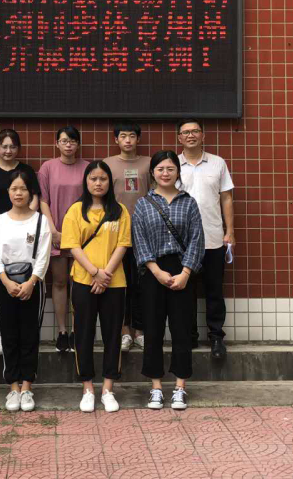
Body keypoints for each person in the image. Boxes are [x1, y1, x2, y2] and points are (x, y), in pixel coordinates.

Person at [132, 151, 205, 411]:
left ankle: (180, 387)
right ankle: (155, 387)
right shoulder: (143, 204)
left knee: (181, 330)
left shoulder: (189, 203)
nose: (165, 173)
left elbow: (197, 239)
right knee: (152, 330)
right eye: (160, 169)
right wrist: (156, 270)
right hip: (153, 272)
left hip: (183, 271)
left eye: (170, 168)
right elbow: (139, 240)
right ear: (152, 172)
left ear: (177, 172)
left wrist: (185, 273)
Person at [60, 160, 131, 413]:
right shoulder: (75, 210)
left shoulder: (120, 210)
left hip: (114, 281)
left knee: (112, 335)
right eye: (93, 178)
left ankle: (108, 389)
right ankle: (88, 388)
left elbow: (123, 244)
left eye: (103, 179)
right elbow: (72, 246)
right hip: (83, 280)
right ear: (86, 182)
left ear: (110, 182)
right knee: (83, 334)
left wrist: (105, 274)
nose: (98, 183)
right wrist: (94, 273)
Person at [0, 170, 51, 412]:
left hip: (33, 284)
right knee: (9, 335)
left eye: (23, 189)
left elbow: (43, 256)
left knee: (30, 335)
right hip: (4, 284)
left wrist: (31, 282)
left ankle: (27, 387)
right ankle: (13, 387)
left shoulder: (40, 221)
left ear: (30, 192)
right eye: (14, 189)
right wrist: (5, 281)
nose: (18, 193)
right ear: (8, 192)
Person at [0, 129, 40, 357]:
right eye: (4, 146)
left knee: (24, 278)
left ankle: (21, 334)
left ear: (18, 148)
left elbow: (35, 200)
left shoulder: (26, 171)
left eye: (13, 146)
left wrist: (26, 226)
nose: (8, 150)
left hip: (24, 236)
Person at [177, 118, 235, 359]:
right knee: (185, 291)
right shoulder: (173, 165)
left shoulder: (217, 163)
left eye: (195, 131)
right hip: (182, 241)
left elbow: (226, 198)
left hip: (213, 237)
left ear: (203, 135)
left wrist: (230, 231)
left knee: (214, 291)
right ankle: (189, 336)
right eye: (185, 132)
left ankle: (216, 337)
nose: (190, 135)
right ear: (179, 138)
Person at [37, 126, 89, 353]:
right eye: (64, 141)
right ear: (57, 143)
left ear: (78, 144)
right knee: (59, 281)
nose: (68, 145)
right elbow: (43, 201)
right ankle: (62, 331)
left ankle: (77, 330)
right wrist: (53, 230)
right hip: (56, 231)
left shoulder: (88, 167)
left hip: (82, 234)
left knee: (79, 283)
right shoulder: (47, 167)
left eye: (72, 141)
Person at [103, 120, 150, 352]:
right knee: (120, 283)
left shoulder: (149, 163)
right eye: (123, 136)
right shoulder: (107, 164)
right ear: (116, 139)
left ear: (138, 139)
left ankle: (140, 331)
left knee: (141, 284)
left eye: (132, 135)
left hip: (144, 232)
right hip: (116, 232)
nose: (128, 140)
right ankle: (124, 332)